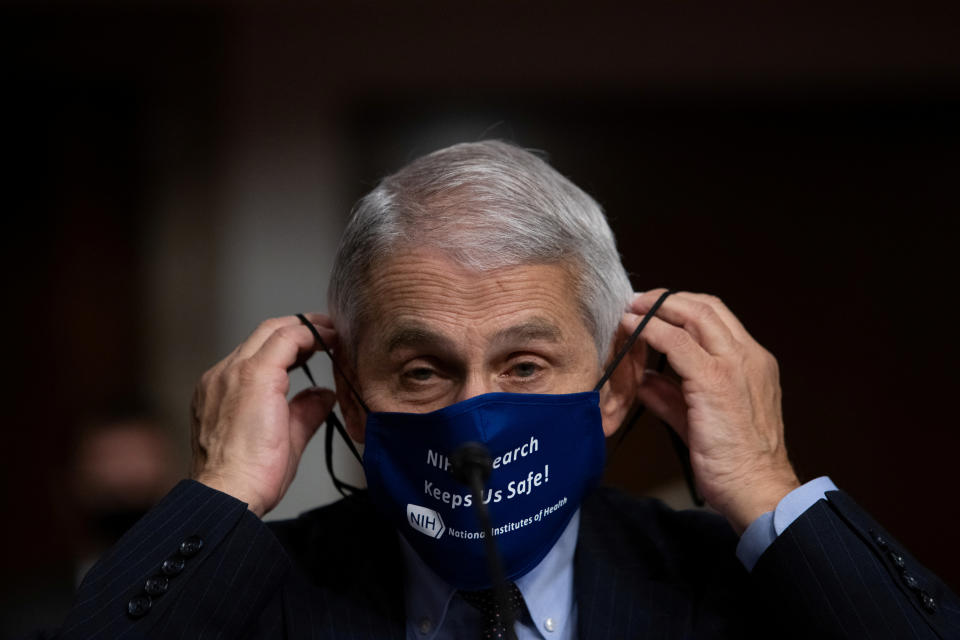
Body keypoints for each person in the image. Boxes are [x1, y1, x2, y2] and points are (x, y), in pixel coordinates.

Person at [43, 141, 959, 639]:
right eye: (421, 370)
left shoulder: (735, 587)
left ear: (613, 389)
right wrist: (221, 494)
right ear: (352, 406)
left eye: (525, 365)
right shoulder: (252, 592)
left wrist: (766, 484)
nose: (472, 414)